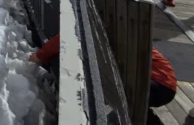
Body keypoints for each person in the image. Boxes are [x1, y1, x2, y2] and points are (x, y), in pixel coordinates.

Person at [30, 34, 176, 123]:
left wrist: (39, 56)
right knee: (122, 97)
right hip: (164, 84)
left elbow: (65, 38)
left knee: (111, 94)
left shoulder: (103, 34)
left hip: (157, 84)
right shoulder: (122, 35)